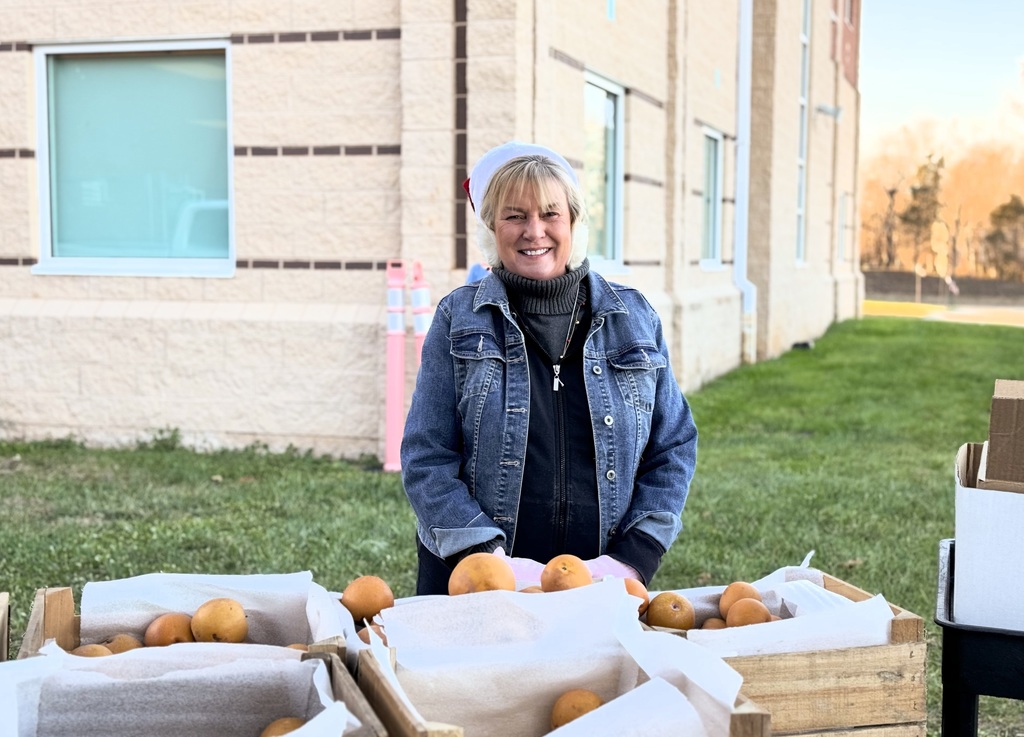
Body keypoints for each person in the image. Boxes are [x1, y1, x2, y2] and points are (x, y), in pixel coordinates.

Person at [400, 141, 698, 595]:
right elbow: (428, 455)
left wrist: (635, 557)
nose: (533, 231)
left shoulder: (633, 318)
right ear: (491, 230)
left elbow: (672, 444)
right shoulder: (458, 318)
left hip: (596, 588)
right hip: (474, 585)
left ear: (574, 223)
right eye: (514, 215)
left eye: (550, 214)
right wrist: (483, 558)